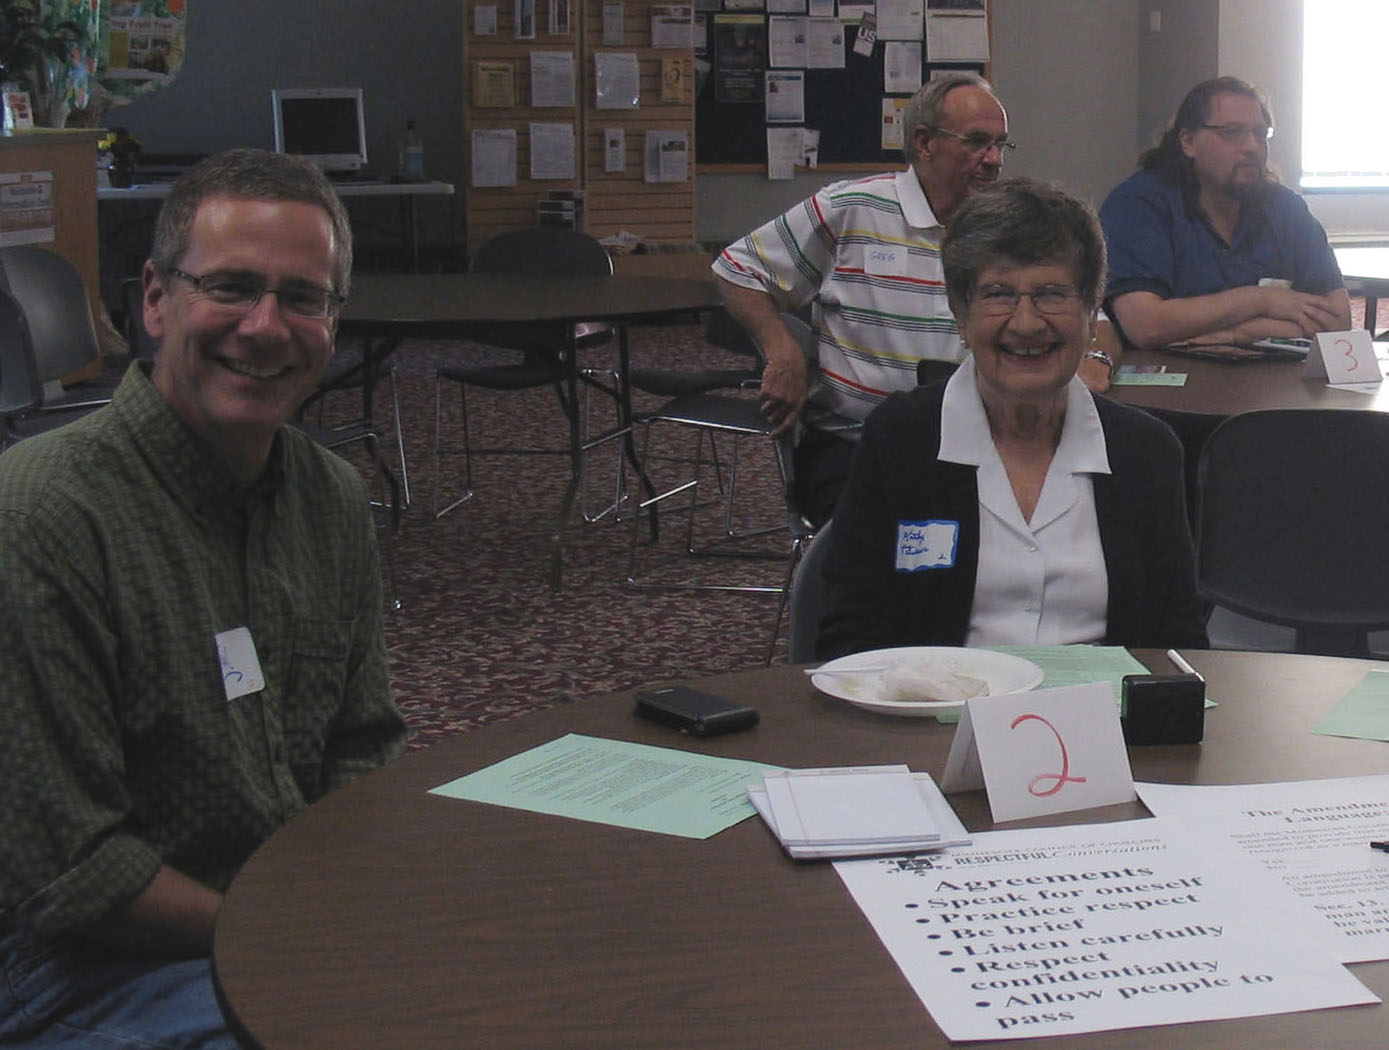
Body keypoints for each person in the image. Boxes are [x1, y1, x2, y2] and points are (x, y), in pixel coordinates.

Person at [0, 149, 406, 1048]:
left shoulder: (330, 499)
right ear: (155, 298)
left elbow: (363, 745)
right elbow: (72, 874)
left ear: (333, 321)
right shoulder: (40, 519)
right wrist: (295, 937)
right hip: (71, 965)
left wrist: (354, 915)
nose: (265, 327)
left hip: (277, 922)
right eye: (229, 287)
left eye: (302, 298)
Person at [816, 177, 1208, 660]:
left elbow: (1179, 645)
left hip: (1104, 726)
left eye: (1050, 293)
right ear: (961, 316)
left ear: (1091, 315)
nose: (1026, 323)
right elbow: (851, 634)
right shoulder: (900, 439)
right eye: (999, 294)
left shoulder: (1147, 452)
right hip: (934, 722)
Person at [1099, 76, 1350, 350]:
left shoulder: (1286, 208)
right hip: (1166, 383)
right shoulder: (1139, 203)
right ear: (1188, 141)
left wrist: (1241, 333)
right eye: (1232, 132)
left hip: (1269, 383)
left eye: (1260, 134)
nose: (1252, 147)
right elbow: (1145, 326)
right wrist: (1260, 300)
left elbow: (1338, 319)